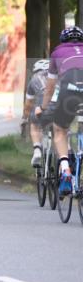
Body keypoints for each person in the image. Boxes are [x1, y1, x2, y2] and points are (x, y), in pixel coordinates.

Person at [39, 25, 83, 196]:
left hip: (69, 89)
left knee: (59, 130)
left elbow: (49, 88)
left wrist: (43, 107)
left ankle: (65, 170)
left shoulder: (57, 53)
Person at [23, 58, 51, 168]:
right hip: (58, 109)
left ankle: (37, 149)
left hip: (41, 110)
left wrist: (25, 117)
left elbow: (28, 104)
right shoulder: (57, 77)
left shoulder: (33, 79)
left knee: (34, 124)